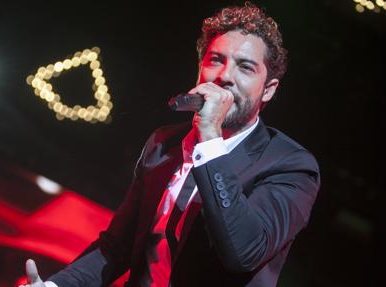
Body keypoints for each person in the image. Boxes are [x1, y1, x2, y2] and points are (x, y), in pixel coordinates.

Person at [21, 2, 320, 287]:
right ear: (200, 67)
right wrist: (56, 283)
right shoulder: (164, 144)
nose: (225, 76)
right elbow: (116, 248)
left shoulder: (290, 166)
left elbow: (243, 252)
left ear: (267, 90)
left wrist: (210, 139)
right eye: (216, 60)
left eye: (245, 67)